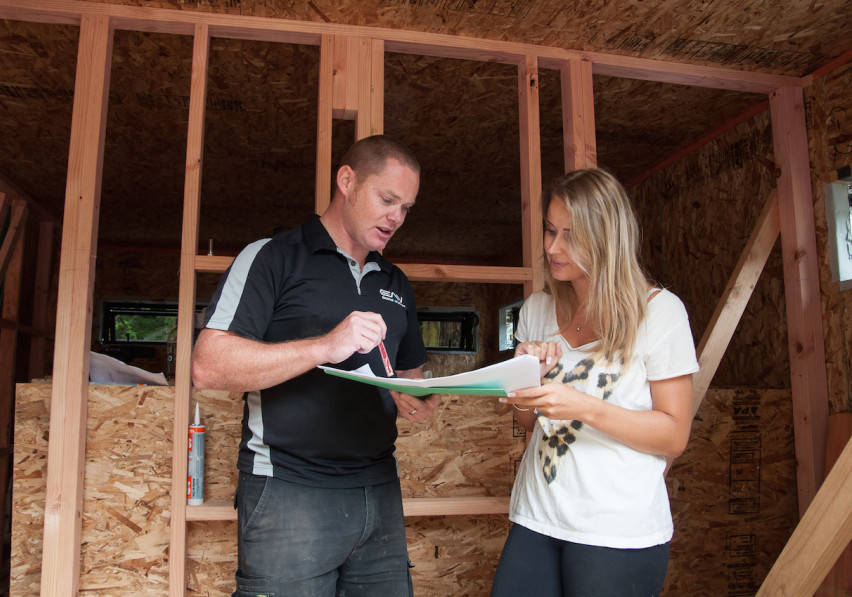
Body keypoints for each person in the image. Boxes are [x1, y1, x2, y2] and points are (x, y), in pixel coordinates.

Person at [192, 134, 441, 597]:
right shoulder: (272, 257)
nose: (396, 218)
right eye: (387, 200)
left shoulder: (396, 282)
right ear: (346, 181)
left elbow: (408, 376)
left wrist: (417, 394)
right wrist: (325, 347)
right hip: (289, 489)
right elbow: (208, 366)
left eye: (406, 208)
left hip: (378, 488)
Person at [491, 168, 699, 597]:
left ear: (607, 238)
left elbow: (674, 435)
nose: (553, 247)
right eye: (550, 230)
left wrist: (582, 406)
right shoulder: (537, 309)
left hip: (617, 530)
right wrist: (525, 389)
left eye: (571, 236)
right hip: (537, 515)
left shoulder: (660, 313)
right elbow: (528, 423)